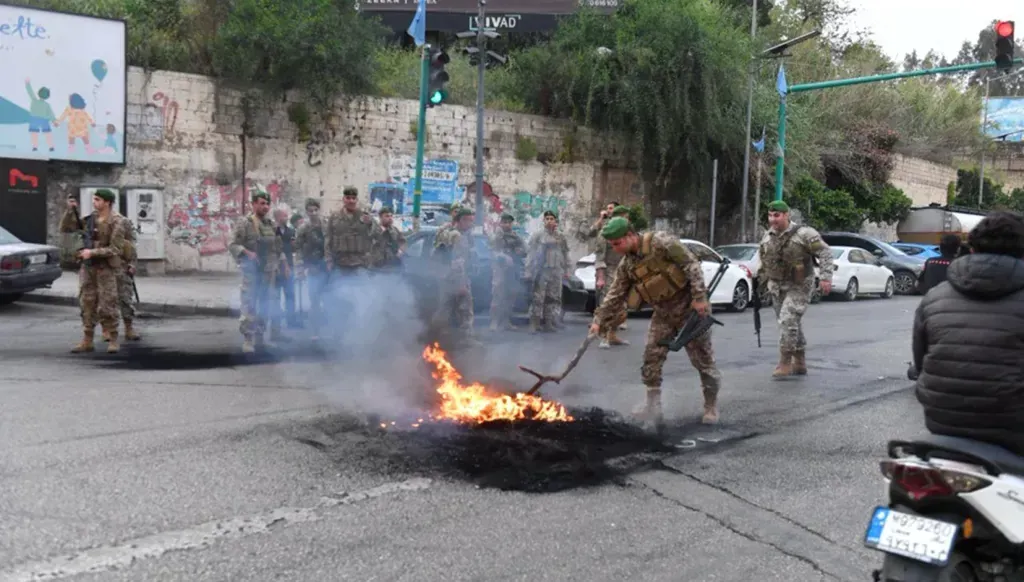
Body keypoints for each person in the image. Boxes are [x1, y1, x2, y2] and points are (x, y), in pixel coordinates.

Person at [588, 217, 723, 429]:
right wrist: (598, 321)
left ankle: (710, 405)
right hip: (663, 314)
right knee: (651, 359)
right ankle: (653, 405)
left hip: (690, 310)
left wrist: (699, 297)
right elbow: (615, 294)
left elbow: (691, 264)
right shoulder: (628, 265)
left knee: (703, 361)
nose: (615, 249)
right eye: (612, 245)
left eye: (617, 243)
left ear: (630, 235)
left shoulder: (662, 243)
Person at [914, 211, 1024, 456]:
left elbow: (919, 364)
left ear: (972, 249)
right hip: (1013, 428)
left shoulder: (935, 297)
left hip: (943, 423)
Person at [757, 200, 834, 378]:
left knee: (787, 320)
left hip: (800, 285)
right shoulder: (767, 236)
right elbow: (764, 260)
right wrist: (759, 280)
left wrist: (825, 278)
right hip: (777, 285)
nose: (772, 219)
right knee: (792, 324)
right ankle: (800, 362)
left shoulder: (804, 234)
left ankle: (785, 362)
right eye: (770, 215)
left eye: (776, 215)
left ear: (786, 215)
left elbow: (825, 253)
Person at [70, 189, 129, 354]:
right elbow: (68, 227)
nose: (94, 202)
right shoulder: (90, 220)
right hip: (88, 268)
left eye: (98, 200)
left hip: (105, 269)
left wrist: (92, 252)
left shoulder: (117, 221)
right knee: (87, 303)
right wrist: (71, 210)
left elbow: (115, 249)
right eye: (94, 199)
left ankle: (113, 339)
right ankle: (87, 340)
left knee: (108, 304)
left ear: (107, 202)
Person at [228, 191, 287, 353]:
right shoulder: (245, 223)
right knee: (250, 305)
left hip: (269, 271)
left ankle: (261, 338)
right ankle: (248, 339)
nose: (265, 207)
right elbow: (233, 245)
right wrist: (248, 253)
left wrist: (283, 265)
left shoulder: (271, 225)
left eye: (267, 204)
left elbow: (278, 247)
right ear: (253, 204)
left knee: (266, 305)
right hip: (252, 272)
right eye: (261, 203)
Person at [433, 207, 481, 348]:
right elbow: (458, 262)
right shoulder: (458, 236)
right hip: (456, 278)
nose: (471, 224)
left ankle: (435, 336)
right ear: (461, 220)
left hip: (445, 277)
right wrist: (461, 284)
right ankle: (466, 338)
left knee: (445, 308)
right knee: (465, 309)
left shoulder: (448, 233)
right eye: (469, 221)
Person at [525, 210, 570, 333]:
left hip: (556, 270)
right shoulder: (538, 235)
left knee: (553, 297)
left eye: (552, 218)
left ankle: (548, 322)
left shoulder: (560, 236)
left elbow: (565, 253)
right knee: (538, 297)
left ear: (556, 221)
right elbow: (531, 254)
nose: (549, 221)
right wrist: (528, 271)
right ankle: (534, 323)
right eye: (547, 219)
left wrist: (566, 269)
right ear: (544, 221)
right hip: (542, 270)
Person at [595, 204, 632, 348]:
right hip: (610, 271)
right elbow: (599, 257)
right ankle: (603, 336)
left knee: (622, 308)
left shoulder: (628, 232)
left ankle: (612, 335)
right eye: (623, 216)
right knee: (609, 305)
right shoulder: (606, 232)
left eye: (627, 217)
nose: (626, 219)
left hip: (624, 271)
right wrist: (601, 277)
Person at [295, 198, 327, 341]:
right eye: (310, 210)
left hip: (327, 266)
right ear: (307, 212)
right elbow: (299, 249)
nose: (313, 213)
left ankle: (330, 329)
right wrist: (300, 268)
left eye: (316, 210)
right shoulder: (303, 228)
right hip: (313, 267)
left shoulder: (326, 225)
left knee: (330, 299)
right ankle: (316, 331)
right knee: (315, 301)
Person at [488, 213, 526, 332]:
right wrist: (503, 256)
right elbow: (492, 251)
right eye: (504, 222)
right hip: (500, 269)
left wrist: (519, 251)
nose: (507, 225)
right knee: (498, 295)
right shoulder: (496, 237)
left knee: (511, 295)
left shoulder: (515, 237)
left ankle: (506, 321)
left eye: (509, 223)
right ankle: (494, 321)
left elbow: (525, 250)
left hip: (513, 269)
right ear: (500, 223)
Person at [371, 206, 407, 271]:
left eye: (391, 216)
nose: (390, 218)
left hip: (392, 266)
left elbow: (403, 241)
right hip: (377, 267)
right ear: (380, 217)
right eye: (387, 216)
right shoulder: (374, 230)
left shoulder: (395, 230)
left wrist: (400, 251)